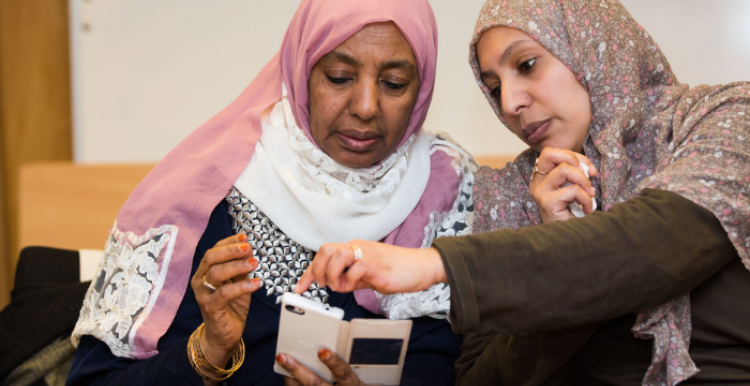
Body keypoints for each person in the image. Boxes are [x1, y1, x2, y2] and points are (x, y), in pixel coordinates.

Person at [296, 0, 750, 385]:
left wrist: (435, 263)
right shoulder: (513, 190)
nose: (510, 103)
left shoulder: (723, 118)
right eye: (494, 89)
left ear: (591, 44)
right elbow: (481, 378)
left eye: (527, 65)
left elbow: (664, 237)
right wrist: (559, 266)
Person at [66, 0, 476, 384]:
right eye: (339, 77)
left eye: (393, 83)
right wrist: (207, 351)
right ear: (300, 71)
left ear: (421, 91)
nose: (366, 106)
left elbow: (464, 365)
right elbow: (97, 379)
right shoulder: (206, 196)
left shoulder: (447, 192)